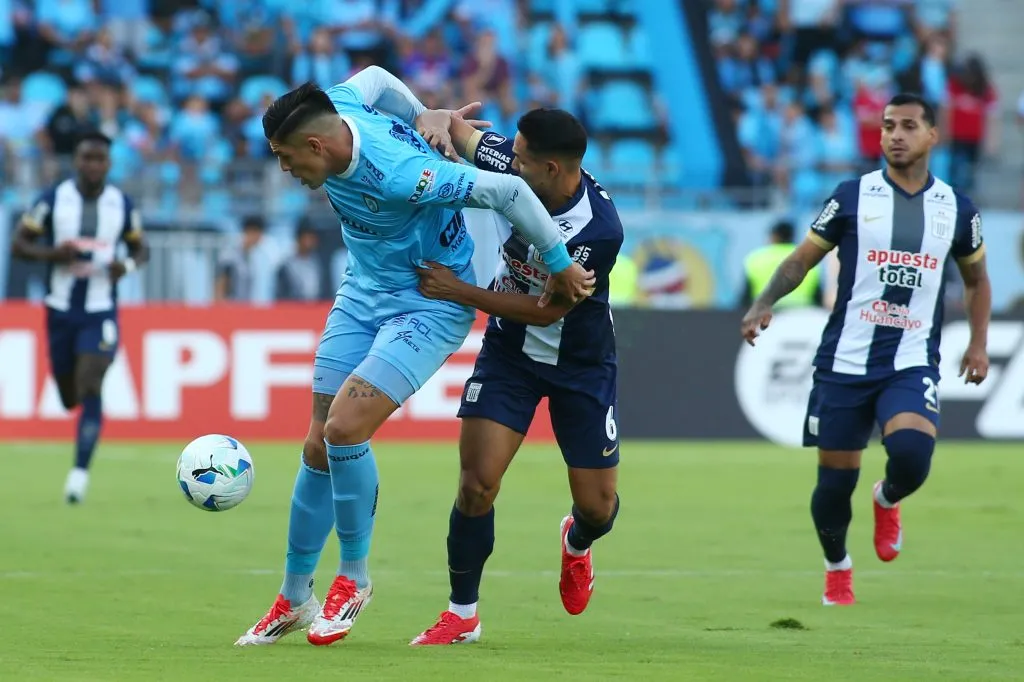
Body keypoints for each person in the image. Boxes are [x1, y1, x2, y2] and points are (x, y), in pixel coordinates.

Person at [234, 67, 595, 647]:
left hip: (427, 301)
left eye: (284, 157)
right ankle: (293, 596)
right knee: (315, 443)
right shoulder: (341, 103)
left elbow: (505, 191)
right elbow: (375, 77)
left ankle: (352, 579)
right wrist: (425, 112)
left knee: (345, 428)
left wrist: (559, 263)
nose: (285, 170)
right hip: (362, 292)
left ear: (315, 146)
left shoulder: (404, 175)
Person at [740, 93, 991, 606]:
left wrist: (980, 345)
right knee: (833, 487)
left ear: (932, 136)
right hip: (843, 362)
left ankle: (888, 497)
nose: (895, 134)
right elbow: (801, 260)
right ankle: (838, 566)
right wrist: (763, 302)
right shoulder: (852, 196)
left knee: (912, 455)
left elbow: (977, 280)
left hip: (910, 359)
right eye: (887, 126)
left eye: (908, 126)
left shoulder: (957, 209)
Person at [406, 107, 622, 645]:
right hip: (510, 355)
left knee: (599, 508)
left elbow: (548, 313)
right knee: (476, 485)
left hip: (580, 364)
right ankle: (462, 614)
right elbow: (455, 128)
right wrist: (434, 115)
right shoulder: (515, 160)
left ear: (552, 168)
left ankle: (576, 542)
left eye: (521, 160)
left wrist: (458, 290)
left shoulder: (597, 231)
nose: (509, 163)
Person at [11, 130, 148, 504]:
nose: (92, 165)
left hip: (100, 309)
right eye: (86, 158)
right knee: (69, 394)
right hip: (60, 309)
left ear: (108, 164)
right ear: (77, 161)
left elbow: (142, 249)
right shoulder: (54, 199)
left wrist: (128, 265)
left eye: (99, 159)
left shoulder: (121, 204)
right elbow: (19, 244)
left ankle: (79, 474)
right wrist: (54, 255)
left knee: (91, 382)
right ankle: (75, 419)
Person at [740, 220, 822, 308]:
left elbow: (745, 297)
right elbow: (818, 296)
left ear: (774, 236)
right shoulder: (807, 257)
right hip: (801, 312)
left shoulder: (756, 258)